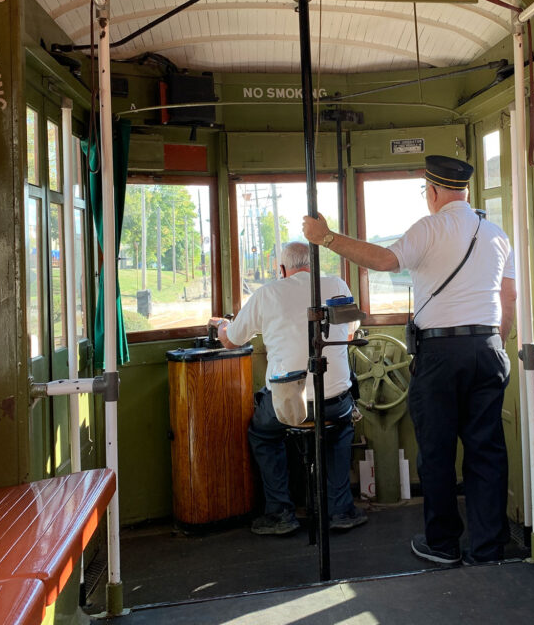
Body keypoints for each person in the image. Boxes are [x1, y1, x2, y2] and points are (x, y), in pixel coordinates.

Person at [303, 155, 516, 565]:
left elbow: (384, 261)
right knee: (487, 450)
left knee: (436, 450)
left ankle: (443, 545)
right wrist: (495, 343)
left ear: (433, 192)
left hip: (440, 354)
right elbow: (508, 297)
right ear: (465, 191)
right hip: (489, 350)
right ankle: (489, 549)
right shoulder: (496, 234)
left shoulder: (431, 228)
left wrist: (325, 238)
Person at [209, 241, 367, 536]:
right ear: (314, 261)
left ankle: (281, 513)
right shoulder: (337, 284)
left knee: (263, 433)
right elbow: (348, 331)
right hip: (336, 399)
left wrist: (220, 326)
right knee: (340, 430)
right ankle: (341, 510)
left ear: (282, 269)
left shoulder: (268, 293)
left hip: (288, 405)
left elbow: (232, 340)